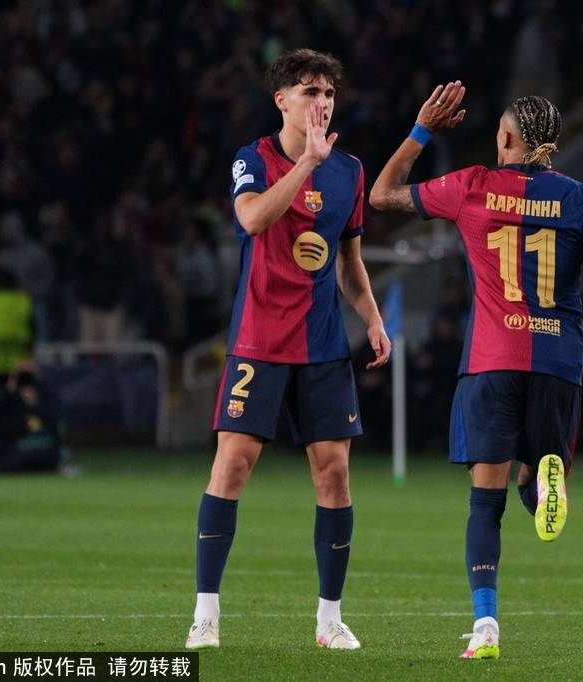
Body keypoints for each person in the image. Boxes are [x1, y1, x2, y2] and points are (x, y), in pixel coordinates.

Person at [370, 82, 583, 659]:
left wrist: (422, 131)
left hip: (492, 362)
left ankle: (486, 627)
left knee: (482, 503)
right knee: (534, 473)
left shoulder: (471, 186)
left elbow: (382, 195)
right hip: (558, 365)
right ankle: (542, 482)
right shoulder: (582, 199)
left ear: (506, 138)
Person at [185, 49, 390, 651]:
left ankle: (330, 619)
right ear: (282, 101)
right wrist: (305, 164)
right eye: (309, 91)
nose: (321, 102)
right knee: (232, 465)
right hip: (259, 340)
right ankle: (205, 615)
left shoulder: (349, 171)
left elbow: (349, 260)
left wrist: (372, 319)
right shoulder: (253, 159)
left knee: (335, 474)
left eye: (328, 92)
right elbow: (252, 219)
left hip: (323, 345)